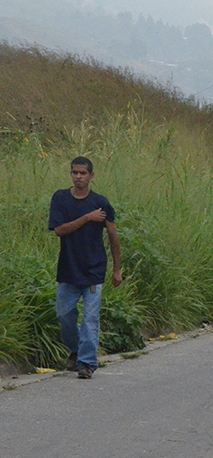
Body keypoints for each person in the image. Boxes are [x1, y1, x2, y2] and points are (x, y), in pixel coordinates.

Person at [49, 156, 122, 379]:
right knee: (64, 315)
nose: (78, 177)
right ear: (71, 174)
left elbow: (112, 234)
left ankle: (87, 363)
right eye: (75, 172)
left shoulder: (101, 203)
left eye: (83, 173)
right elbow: (59, 230)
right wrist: (87, 217)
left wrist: (117, 269)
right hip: (68, 269)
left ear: (91, 175)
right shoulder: (60, 199)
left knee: (90, 318)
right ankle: (77, 350)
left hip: (93, 270)